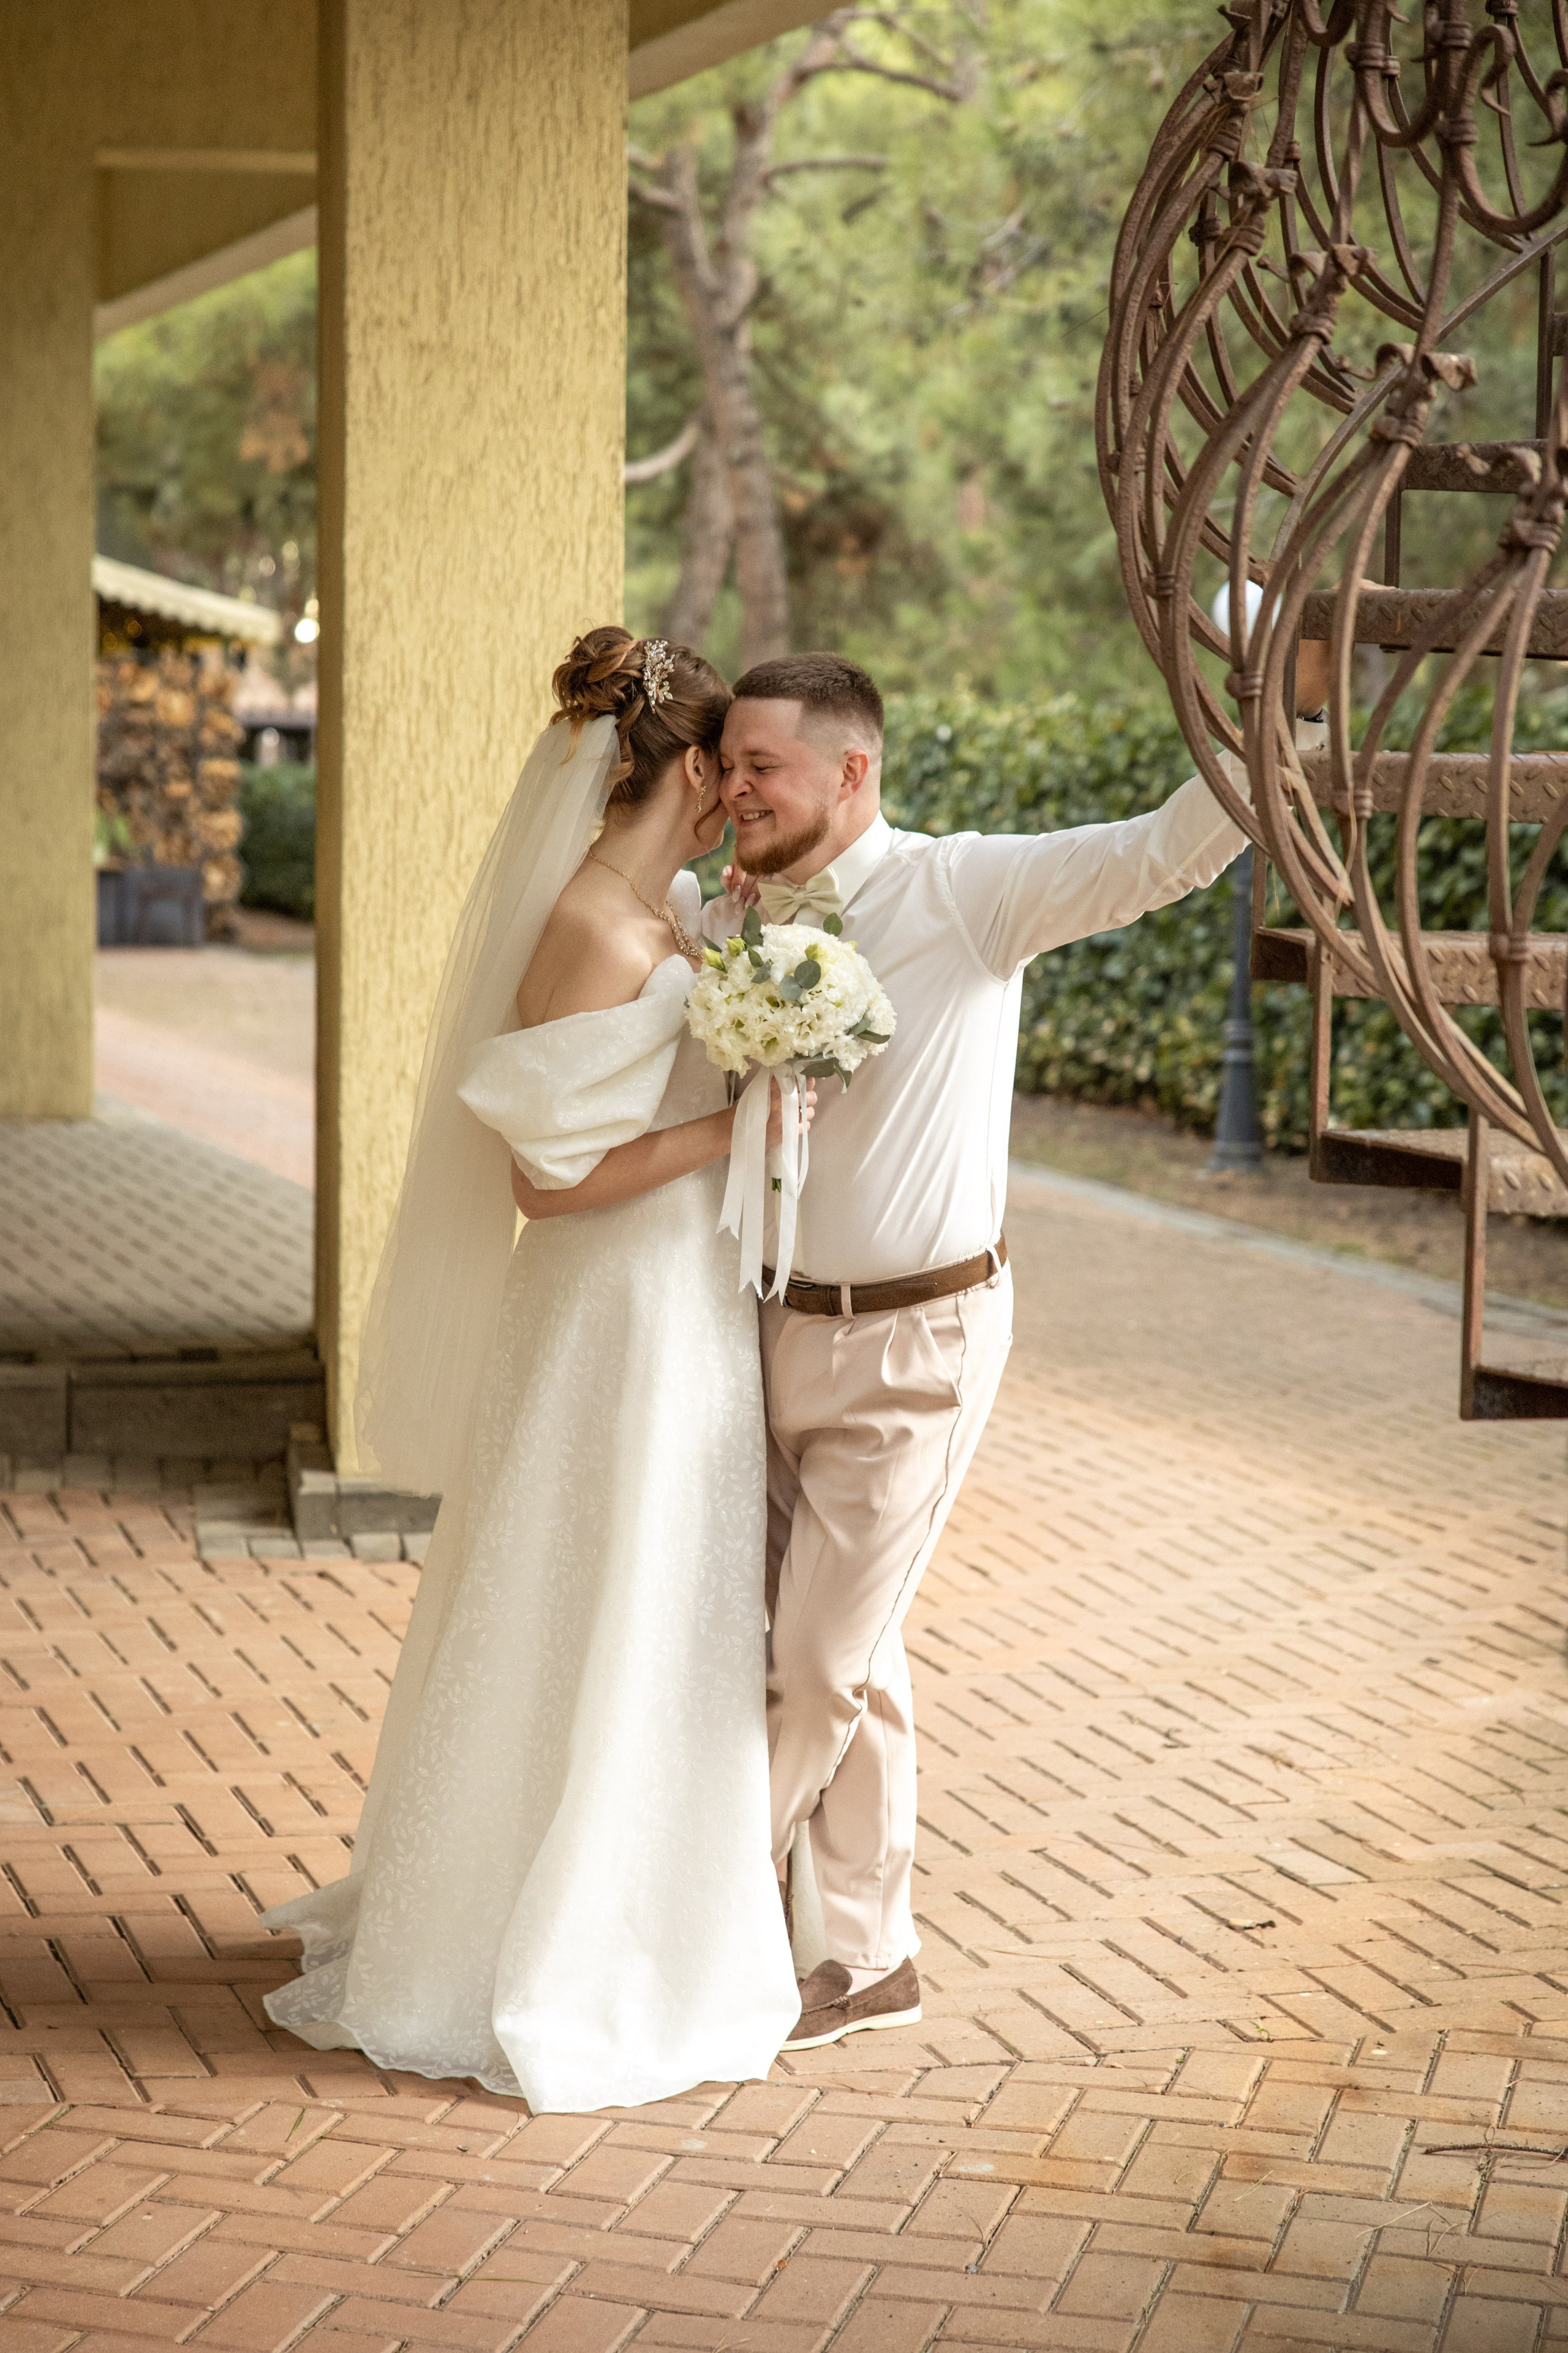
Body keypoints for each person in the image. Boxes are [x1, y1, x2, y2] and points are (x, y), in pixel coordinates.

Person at [704, 650, 1308, 2052]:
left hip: (917, 1343)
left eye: (759, 767)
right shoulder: (730, 914)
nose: (733, 788)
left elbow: (1161, 853)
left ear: (850, 770)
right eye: (726, 766)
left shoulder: (964, 890)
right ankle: (867, 1958)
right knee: (848, 1650)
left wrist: (1285, 712)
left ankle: (697, 1920)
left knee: (814, 1664)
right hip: (765, 1331)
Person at [260, 627, 807, 2113]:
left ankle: (641, 1908)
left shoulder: (669, 909)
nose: (743, 792)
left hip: (676, 1299)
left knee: (653, 1595)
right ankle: (538, 1937)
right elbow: (544, 1185)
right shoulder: (596, 931)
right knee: (597, 1591)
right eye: (734, 765)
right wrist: (732, 1122)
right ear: (688, 769)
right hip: (612, 1312)